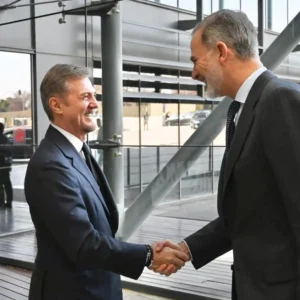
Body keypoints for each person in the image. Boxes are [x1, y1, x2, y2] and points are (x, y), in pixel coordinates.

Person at [154, 9, 300, 300]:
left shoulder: (280, 99)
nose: (194, 73)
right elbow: (248, 212)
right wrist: (187, 249)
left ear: (221, 51)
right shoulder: (243, 109)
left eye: (195, 60)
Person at [24, 64, 189, 300]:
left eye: (94, 95)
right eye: (85, 97)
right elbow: (83, 244)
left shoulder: (77, 151)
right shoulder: (50, 165)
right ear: (56, 105)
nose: (94, 104)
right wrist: (148, 255)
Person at [0, 122, 13, 209]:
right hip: (5, 164)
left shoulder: (3, 139)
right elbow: (9, 151)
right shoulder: (5, 139)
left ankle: (1, 203)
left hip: (2, 164)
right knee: (7, 183)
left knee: (1, 185)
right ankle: (8, 202)